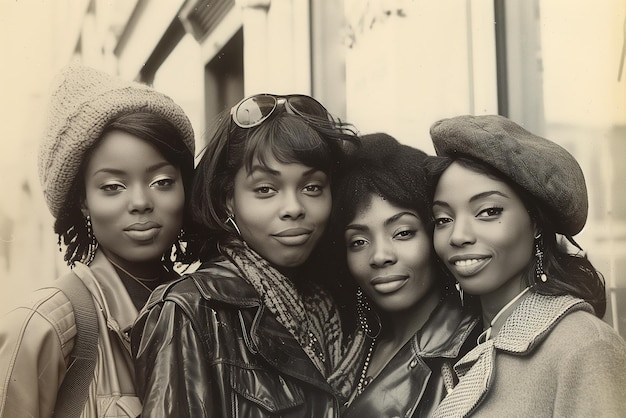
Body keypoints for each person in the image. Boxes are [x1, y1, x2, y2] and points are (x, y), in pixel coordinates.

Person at [131, 94, 366, 417]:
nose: (294, 209)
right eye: (266, 190)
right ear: (229, 199)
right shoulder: (192, 310)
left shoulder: (332, 304)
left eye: (312, 187)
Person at [0, 65, 195, 418]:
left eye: (162, 181)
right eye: (112, 187)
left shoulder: (205, 308)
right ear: (83, 202)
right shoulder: (44, 326)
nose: (140, 201)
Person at [427, 114, 626, 417]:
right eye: (443, 219)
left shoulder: (584, 345)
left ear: (535, 223)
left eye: (488, 211)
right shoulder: (461, 344)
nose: (458, 236)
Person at [330, 133, 480, 417]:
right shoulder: (346, 349)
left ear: (435, 234)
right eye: (358, 241)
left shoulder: (473, 350)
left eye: (403, 233)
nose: (380, 255)